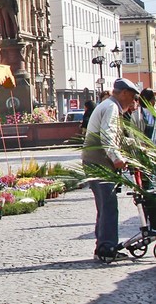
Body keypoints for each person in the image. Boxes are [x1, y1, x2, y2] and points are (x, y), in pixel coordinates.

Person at [83, 78, 141, 260]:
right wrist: (117, 159)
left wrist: (136, 146)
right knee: (108, 206)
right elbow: (107, 135)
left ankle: (102, 247)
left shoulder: (109, 105)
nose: (133, 101)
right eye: (132, 97)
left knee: (104, 206)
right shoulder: (111, 107)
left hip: (95, 161)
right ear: (123, 93)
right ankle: (107, 249)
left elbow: (115, 137)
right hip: (99, 163)